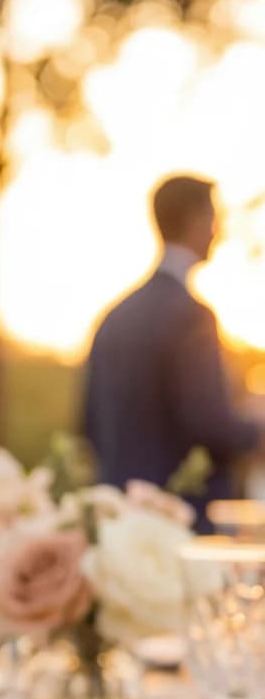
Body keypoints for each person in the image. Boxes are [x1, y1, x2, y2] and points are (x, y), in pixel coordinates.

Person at [81, 175, 262, 524]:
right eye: (214, 217)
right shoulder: (192, 315)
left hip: (118, 522)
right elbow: (207, 423)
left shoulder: (113, 317)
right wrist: (256, 430)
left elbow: (88, 424)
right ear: (195, 220)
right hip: (179, 521)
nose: (218, 230)